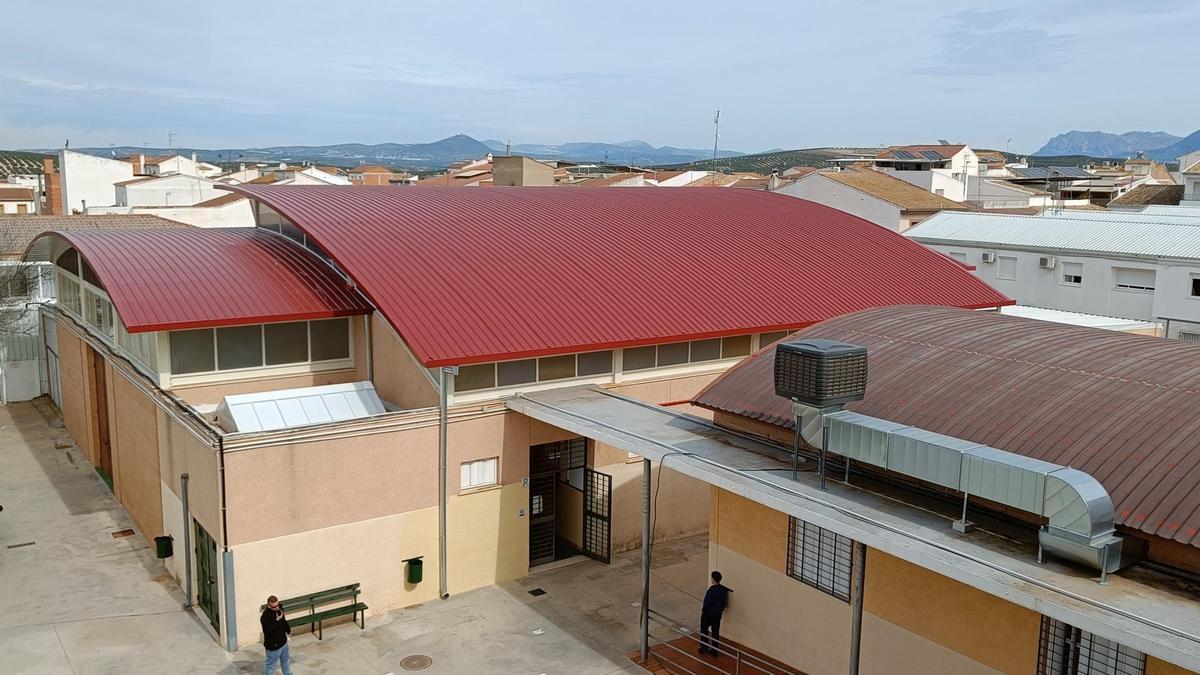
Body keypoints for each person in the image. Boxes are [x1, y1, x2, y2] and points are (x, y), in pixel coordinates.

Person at [699, 570, 731, 656]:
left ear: (713, 579)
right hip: (717, 615)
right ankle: (714, 650)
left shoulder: (711, 590)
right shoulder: (723, 590)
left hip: (708, 614)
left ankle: (704, 647)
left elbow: (707, 602)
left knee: (704, 630)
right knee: (715, 632)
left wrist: (704, 610)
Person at [261, 595, 292, 675]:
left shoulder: (279, 609)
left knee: (285, 660)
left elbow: (283, 621)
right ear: (268, 606)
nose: (277, 608)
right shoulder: (265, 616)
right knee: (271, 666)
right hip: (273, 645)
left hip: (283, 641)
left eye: (277, 605)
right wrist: (277, 620)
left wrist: (288, 630)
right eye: (274, 607)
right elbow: (267, 631)